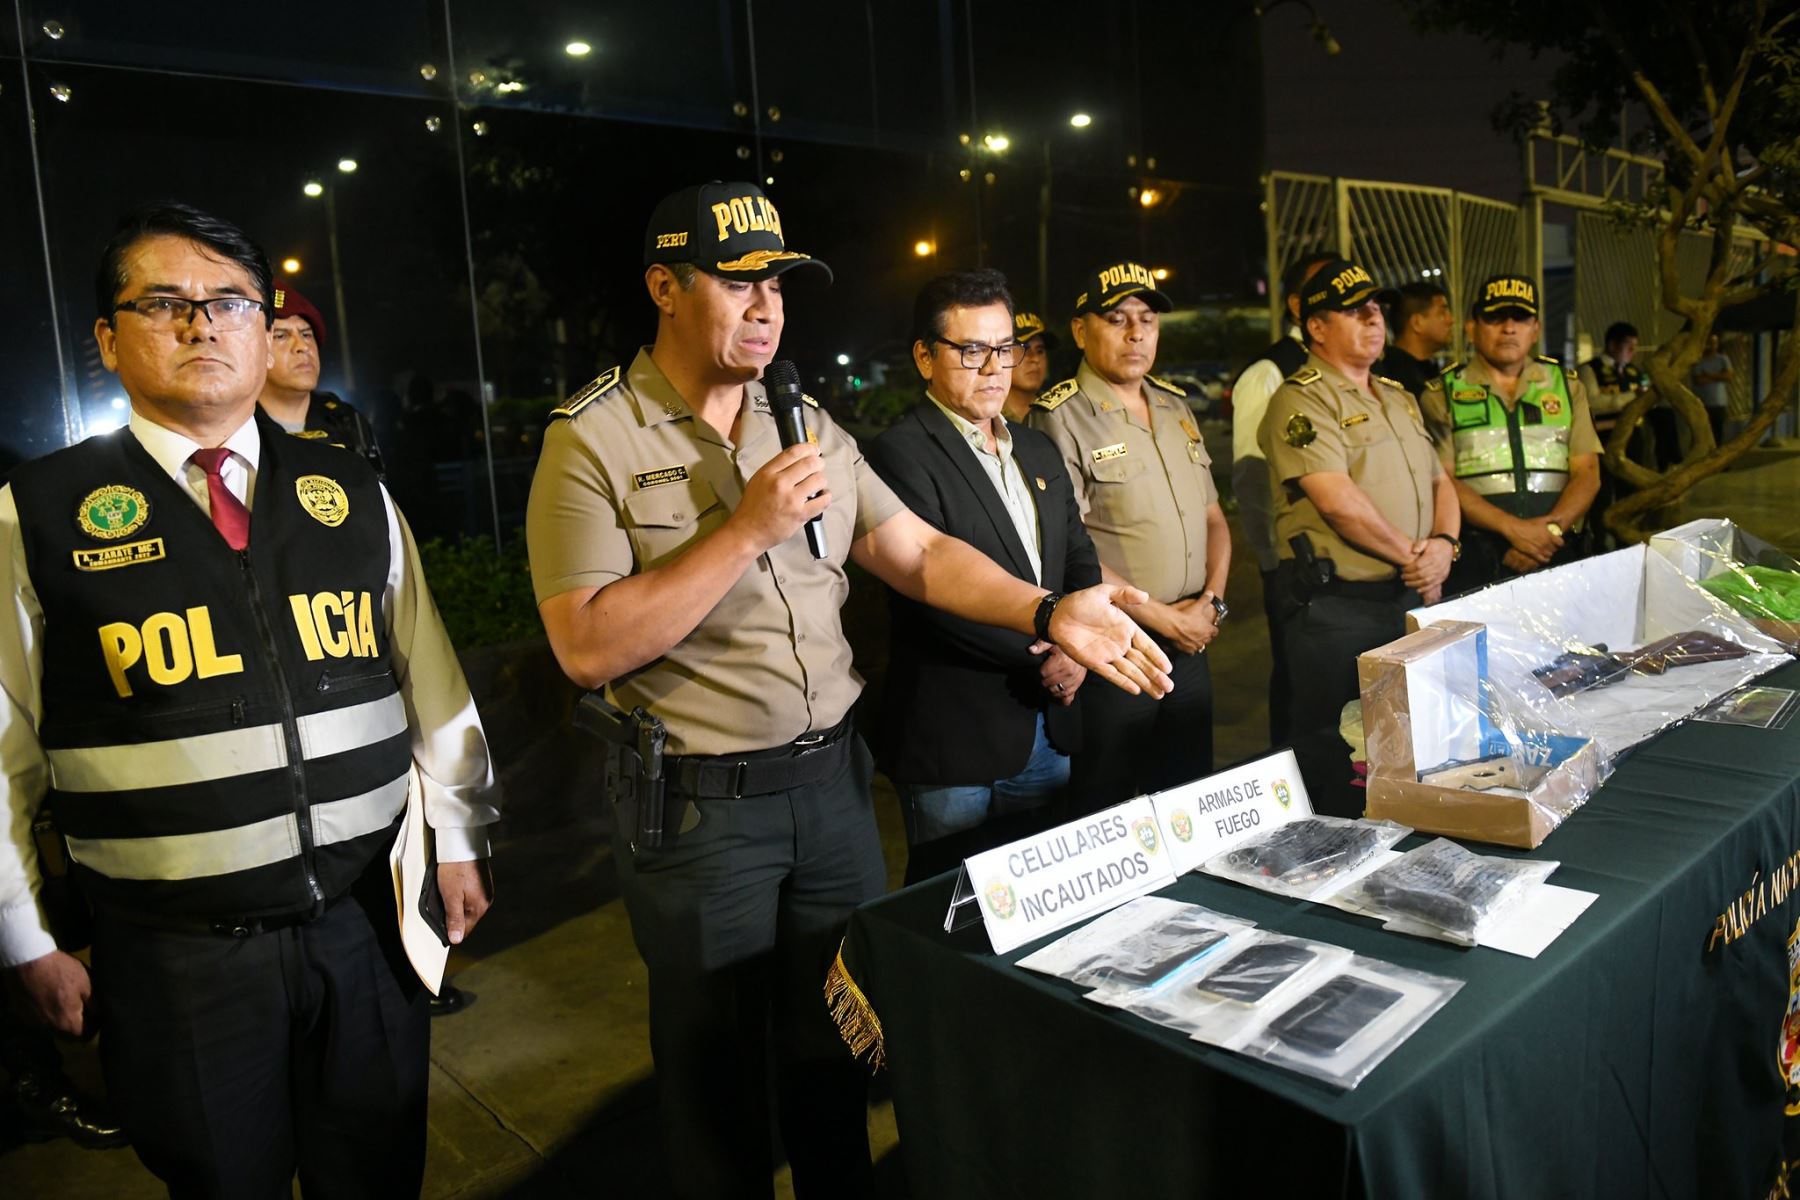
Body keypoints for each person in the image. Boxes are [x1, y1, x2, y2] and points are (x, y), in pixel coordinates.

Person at [525, 181, 1169, 1200]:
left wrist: (1046, 612)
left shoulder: (805, 420)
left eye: (778, 283)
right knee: (717, 1076)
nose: (766, 305)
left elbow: (912, 552)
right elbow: (586, 646)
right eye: (737, 282)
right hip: (704, 814)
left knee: (843, 1041)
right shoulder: (596, 438)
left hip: (832, 793)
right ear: (664, 286)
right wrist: (743, 530)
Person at [0, 202, 500, 1194]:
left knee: (378, 1171)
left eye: (230, 301)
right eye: (165, 303)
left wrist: (460, 838)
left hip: (367, 926)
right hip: (179, 960)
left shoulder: (349, 491)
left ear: (263, 329)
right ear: (106, 338)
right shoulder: (38, 513)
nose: (202, 324)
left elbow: (433, 687)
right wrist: (26, 940)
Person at [866, 270, 1101, 884]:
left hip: (1049, 723)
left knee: (1048, 896)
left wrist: (1075, 644)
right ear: (925, 355)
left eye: (1006, 348)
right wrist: (1057, 641)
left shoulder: (1038, 450)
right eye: (972, 350)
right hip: (956, 738)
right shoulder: (899, 454)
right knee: (952, 911)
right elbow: (929, 596)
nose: (994, 367)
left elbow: (1079, 557)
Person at [1028, 260, 1231, 810]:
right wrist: (1165, 619)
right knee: (1110, 809)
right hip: (1117, 648)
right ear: (1079, 330)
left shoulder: (1175, 405)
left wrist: (1212, 603)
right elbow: (1069, 546)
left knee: (1190, 800)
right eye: (1117, 319)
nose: (1137, 333)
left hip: (1192, 641)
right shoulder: (1059, 417)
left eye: (1147, 319)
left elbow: (1213, 517)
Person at [1260, 258, 1459, 815]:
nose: (1373, 319)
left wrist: (1443, 545)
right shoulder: (1300, 399)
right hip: (1338, 608)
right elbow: (1337, 501)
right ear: (1317, 327)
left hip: (1407, 597)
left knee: (1409, 742)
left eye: (1376, 308)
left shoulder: (1396, 395)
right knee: (1335, 751)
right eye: (1354, 311)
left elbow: (1441, 479)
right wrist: (1417, 558)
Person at [1419, 274, 1600, 590]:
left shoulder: (1568, 387)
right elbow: (1443, 481)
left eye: (1520, 317)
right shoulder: (1441, 393)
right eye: (1495, 318)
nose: (1509, 328)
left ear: (1535, 329)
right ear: (1472, 328)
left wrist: (1548, 534)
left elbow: (1588, 472)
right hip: (1478, 558)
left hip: (1557, 552)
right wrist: (1514, 531)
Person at [1232, 251, 1337, 745]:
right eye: (1328, 288)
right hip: (1297, 566)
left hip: (1350, 568)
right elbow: (1252, 479)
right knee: (1302, 699)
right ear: (1298, 306)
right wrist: (1275, 565)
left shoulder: (1353, 371)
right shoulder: (1269, 374)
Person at [256, 284, 385, 474]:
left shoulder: (345, 420)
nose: (302, 346)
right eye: (281, 336)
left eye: (307, 334)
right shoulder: (236, 426)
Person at [1377, 280, 1453, 399]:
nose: (1450, 320)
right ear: (1417, 323)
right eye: (1442, 313)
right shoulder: (1393, 380)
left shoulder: (1429, 372)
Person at [1001, 308, 1059, 424]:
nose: (1035, 359)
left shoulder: (1059, 412)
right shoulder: (987, 414)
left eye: (1040, 351)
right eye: (1025, 350)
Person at [1691, 332, 1733, 447]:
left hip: (1719, 402)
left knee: (1718, 433)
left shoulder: (1723, 359)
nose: (1712, 345)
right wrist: (1719, 375)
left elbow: (1728, 376)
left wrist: (1709, 375)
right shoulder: (1698, 361)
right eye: (1709, 343)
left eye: (1714, 343)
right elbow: (1699, 380)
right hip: (1702, 403)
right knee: (1702, 434)